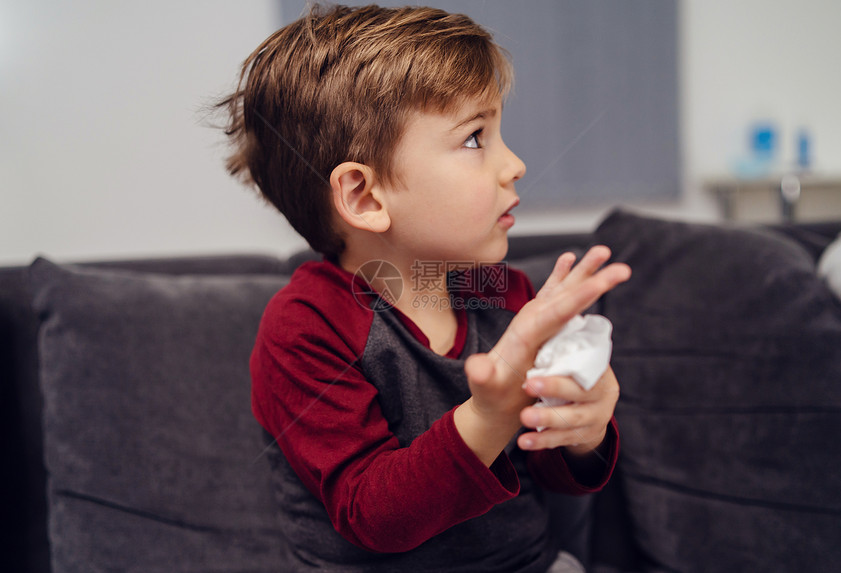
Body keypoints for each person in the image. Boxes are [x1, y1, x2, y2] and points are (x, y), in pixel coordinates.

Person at [217, 4, 631, 571]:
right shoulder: (305, 325)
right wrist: (489, 414)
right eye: (474, 139)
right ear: (365, 197)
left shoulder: (502, 293)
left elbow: (555, 474)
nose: (515, 164)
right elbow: (374, 516)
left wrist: (584, 426)